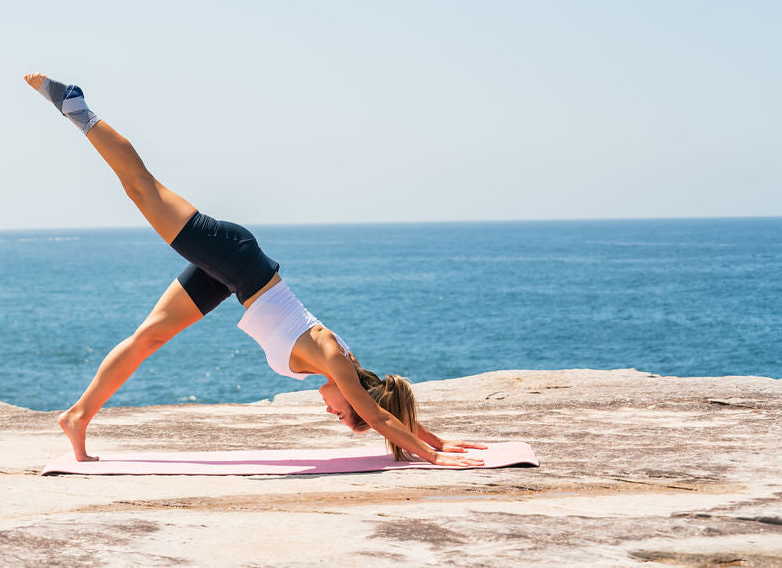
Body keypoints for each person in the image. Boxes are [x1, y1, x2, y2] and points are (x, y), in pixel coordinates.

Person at [24, 72, 486, 466]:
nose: (334, 415)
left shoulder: (349, 368)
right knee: (141, 189)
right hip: (236, 259)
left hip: (235, 277)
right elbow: (379, 415)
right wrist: (434, 457)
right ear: (355, 398)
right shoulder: (334, 359)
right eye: (345, 415)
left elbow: (383, 406)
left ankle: (77, 416)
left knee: (149, 338)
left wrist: (436, 439)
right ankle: (77, 108)